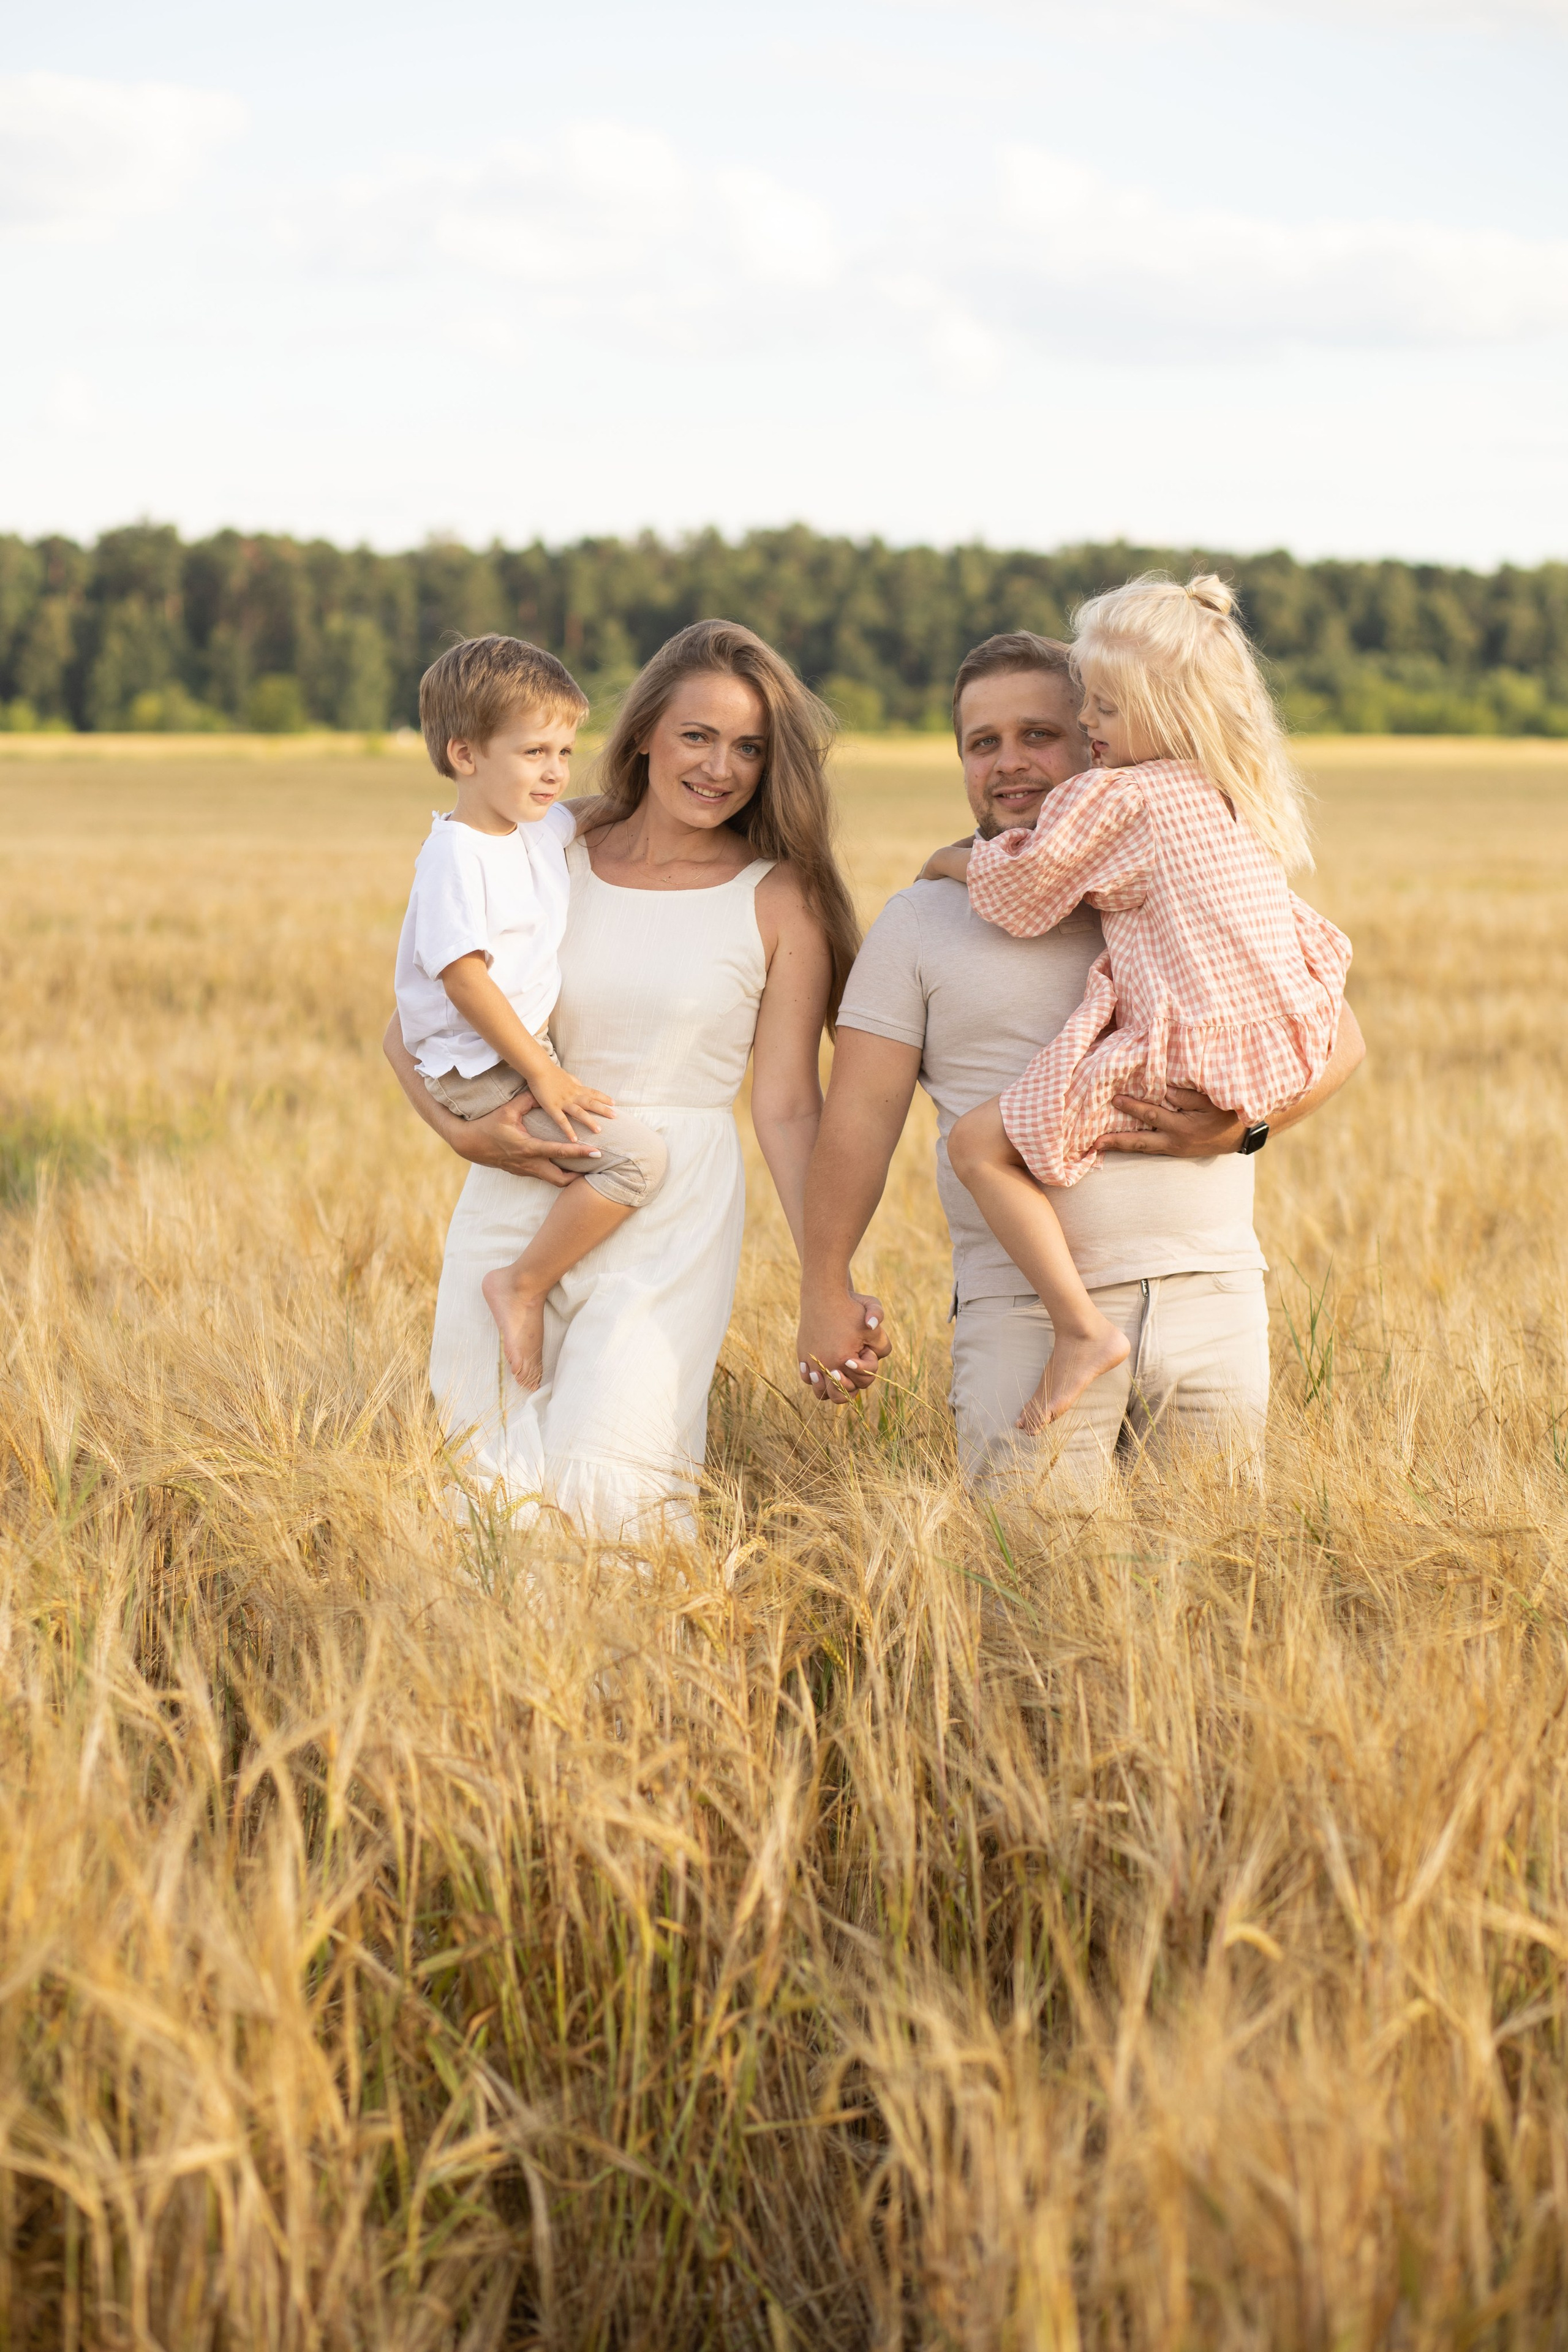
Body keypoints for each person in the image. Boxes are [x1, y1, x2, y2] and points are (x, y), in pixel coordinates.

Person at [795, 627, 1365, 1491]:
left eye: (1038, 733)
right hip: (1024, 1319)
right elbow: (859, 1118)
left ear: (1099, 741)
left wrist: (1242, 1127)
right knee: (1040, 1598)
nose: (1010, 762)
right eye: (982, 743)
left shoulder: (1190, 867)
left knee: (1214, 1594)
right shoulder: (921, 921)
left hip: (1211, 1295)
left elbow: (1338, 1038)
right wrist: (824, 1283)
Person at [385, 618, 861, 1544]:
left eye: (749, 748)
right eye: (697, 735)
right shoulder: (552, 849)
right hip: (526, 1173)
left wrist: (825, 1280)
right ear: (643, 732)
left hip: (670, 1212)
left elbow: (790, 1105)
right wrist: (459, 1134)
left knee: (619, 1479)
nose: (721, 767)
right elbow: (413, 1021)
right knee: (487, 1485)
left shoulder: (778, 896)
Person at [921, 574, 1352, 1431]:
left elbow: (1021, 892)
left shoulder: (1118, 797)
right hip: (1271, 1047)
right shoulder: (1229, 802)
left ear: (1171, 711)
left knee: (977, 1148)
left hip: (1182, 1053)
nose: (1091, 726)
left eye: (1105, 710)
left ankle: (1080, 1332)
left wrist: (952, 861)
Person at [394, 635, 669, 1390]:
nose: (554, 771)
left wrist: (664, 785)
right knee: (638, 1161)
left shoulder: (534, 827)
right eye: (533, 752)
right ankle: (520, 1284)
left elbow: (586, 811)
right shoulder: (456, 855)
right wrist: (542, 1073)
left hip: (511, 1055)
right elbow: (464, 979)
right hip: (480, 1068)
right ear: (465, 756)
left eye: (564, 750)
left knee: (590, 1160)